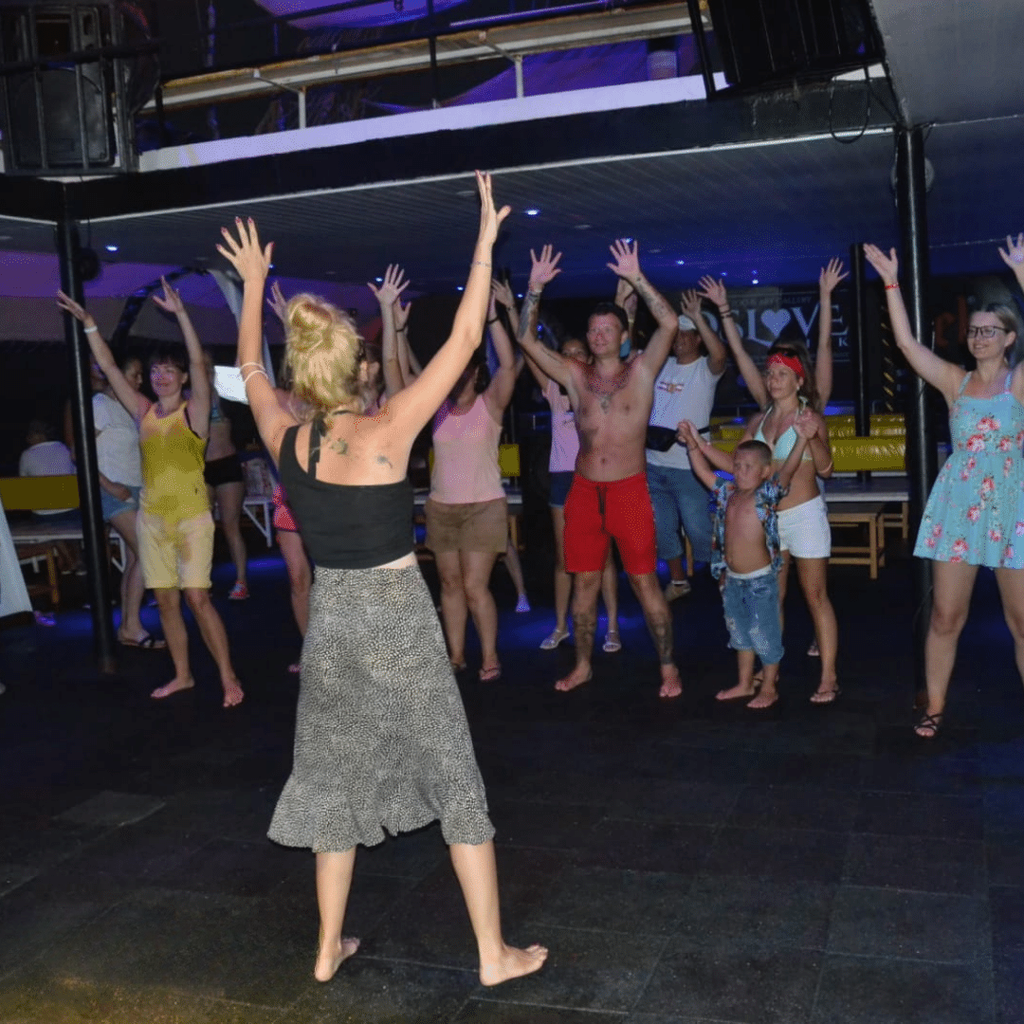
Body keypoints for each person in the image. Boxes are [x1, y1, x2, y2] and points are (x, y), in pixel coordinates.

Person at [217, 173, 546, 986]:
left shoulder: (284, 436)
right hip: (396, 615)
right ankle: (492, 954)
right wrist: (483, 242)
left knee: (332, 779)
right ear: (357, 369)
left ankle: (327, 947)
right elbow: (464, 341)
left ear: (303, 377)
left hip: (332, 619)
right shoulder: (389, 428)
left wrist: (253, 284)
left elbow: (248, 366)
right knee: (454, 774)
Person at [864, 237, 1024, 737]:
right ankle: (934, 706)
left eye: (989, 331)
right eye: (974, 330)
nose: (978, 338)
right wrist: (891, 282)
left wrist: (1022, 275)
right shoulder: (956, 381)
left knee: (1022, 621)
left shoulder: (1018, 384)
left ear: (1009, 338)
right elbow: (908, 346)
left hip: (1011, 505)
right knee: (945, 616)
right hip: (959, 505)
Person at [57, 281, 244, 708]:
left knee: (197, 598)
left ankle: (228, 675)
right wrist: (89, 324)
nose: (160, 376)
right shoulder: (143, 412)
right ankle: (183, 675)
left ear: (183, 378)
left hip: (192, 519)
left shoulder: (195, 411)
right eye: (156, 370)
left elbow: (197, 361)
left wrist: (182, 316)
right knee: (165, 600)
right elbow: (109, 367)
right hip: (153, 519)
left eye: (168, 371)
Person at [515, 242, 683, 698]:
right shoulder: (574, 374)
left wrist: (637, 277)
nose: (598, 335)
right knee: (584, 583)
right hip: (585, 492)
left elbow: (669, 323)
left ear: (623, 334)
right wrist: (534, 288)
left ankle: (669, 668)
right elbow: (525, 339)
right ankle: (583, 665)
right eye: (593, 329)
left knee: (644, 583)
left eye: (607, 328)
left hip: (629, 489)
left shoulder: (642, 369)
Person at [701, 271, 843, 698]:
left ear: (799, 380)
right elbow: (736, 464)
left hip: (805, 515)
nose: (773, 377)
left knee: (815, 595)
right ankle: (770, 674)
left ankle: (829, 677)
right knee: (770, 599)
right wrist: (698, 448)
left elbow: (826, 469)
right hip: (768, 521)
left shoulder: (809, 415)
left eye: (782, 373)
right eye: (770, 372)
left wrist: (811, 436)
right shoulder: (759, 420)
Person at [680, 416, 817, 707]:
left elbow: (788, 470)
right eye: (737, 465)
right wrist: (692, 444)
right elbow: (703, 471)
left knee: (765, 634)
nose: (740, 471)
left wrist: (802, 440)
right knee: (739, 634)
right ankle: (744, 683)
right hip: (732, 580)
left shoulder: (765, 495)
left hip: (760, 581)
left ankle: (768, 686)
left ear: (765, 472)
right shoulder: (727, 493)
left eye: (748, 467)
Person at [423, 284, 517, 681]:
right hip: (442, 507)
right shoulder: (435, 408)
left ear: (477, 372)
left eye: (467, 368)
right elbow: (399, 376)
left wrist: (492, 317)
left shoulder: (489, 404)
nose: (460, 375)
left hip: (483, 506)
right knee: (449, 583)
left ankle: (490, 656)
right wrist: (395, 326)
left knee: (476, 585)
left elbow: (509, 367)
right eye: (454, 368)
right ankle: (457, 655)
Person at [524, 333, 621, 652]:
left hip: (595, 476)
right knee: (564, 558)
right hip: (562, 477)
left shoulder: (602, 390)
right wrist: (514, 315)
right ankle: (560, 626)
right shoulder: (553, 388)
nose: (573, 357)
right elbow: (529, 350)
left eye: (579, 352)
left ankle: (613, 628)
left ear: (590, 358)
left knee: (603, 556)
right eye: (566, 352)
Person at [646, 288, 728, 601]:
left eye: (686, 333)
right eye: (675, 333)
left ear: (697, 339)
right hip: (654, 462)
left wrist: (698, 317)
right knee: (662, 529)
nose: (678, 338)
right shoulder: (660, 364)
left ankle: (725, 579)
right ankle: (679, 581)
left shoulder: (705, 369)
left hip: (688, 466)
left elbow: (720, 356)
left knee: (698, 528)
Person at [93, 353, 165, 648]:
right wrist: (109, 485)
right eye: (134, 374)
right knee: (149, 551)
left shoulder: (127, 407)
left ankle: (127, 626)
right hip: (111, 490)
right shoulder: (99, 405)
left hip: (135, 488)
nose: (139, 380)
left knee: (137, 557)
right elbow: (79, 453)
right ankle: (131, 626)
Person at [201, 351, 250, 600]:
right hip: (201, 467)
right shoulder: (187, 395)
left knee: (231, 525)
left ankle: (241, 581)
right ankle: (202, 581)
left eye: (207, 364)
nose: (204, 369)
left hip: (227, 463)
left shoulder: (223, 390)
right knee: (203, 528)